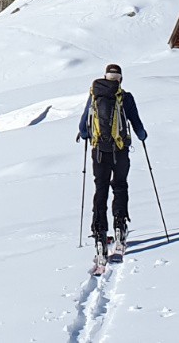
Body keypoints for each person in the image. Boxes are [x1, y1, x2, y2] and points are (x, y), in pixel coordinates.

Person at [76, 63, 147, 243]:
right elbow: (137, 124)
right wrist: (142, 135)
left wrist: (85, 135)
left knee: (101, 188)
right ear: (120, 79)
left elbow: (84, 124)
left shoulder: (94, 96)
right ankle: (119, 224)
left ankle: (99, 231)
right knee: (120, 186)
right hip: (121, 151)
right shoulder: (126, 98)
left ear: (105, 77)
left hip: (99, 151)